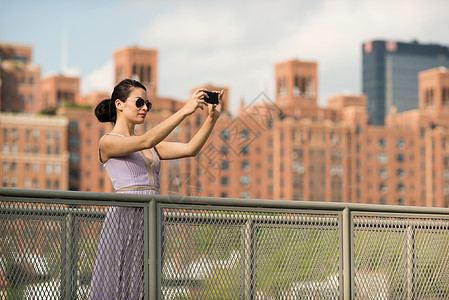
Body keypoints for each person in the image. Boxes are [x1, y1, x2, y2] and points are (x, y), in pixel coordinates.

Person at [89, 79, 222, 299]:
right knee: (118, 275)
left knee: (146, 280)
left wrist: (212, 118)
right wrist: (185, 111)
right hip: (126, 215)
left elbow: (191, 148)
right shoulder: (108, 141)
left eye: (147, 105)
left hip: (152, 215)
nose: (144, 108)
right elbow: (145, 140)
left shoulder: (150, 144)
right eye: (139, 102)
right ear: (119, 104)